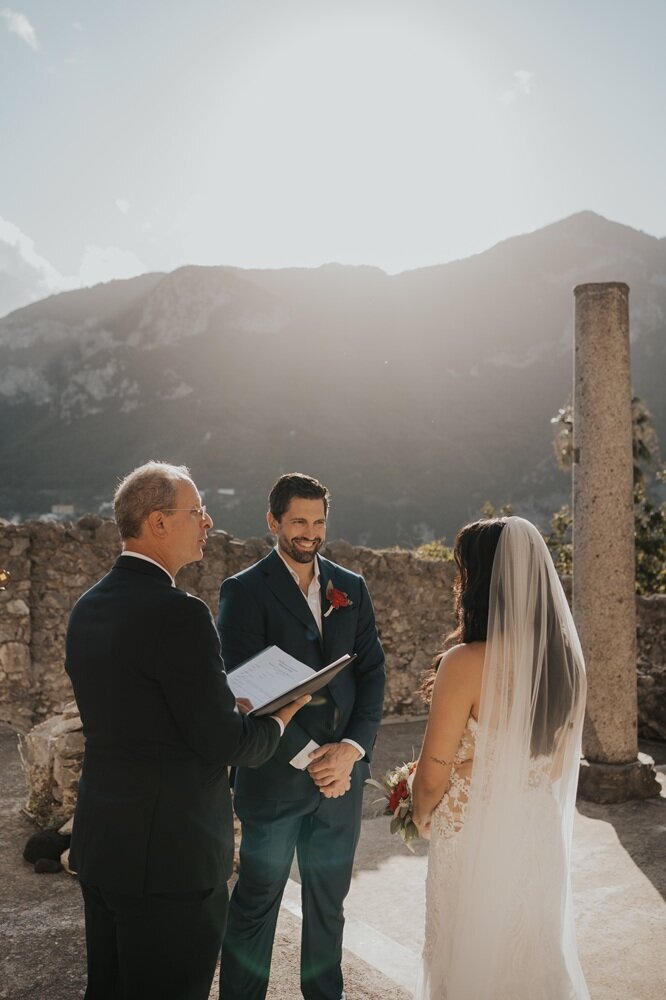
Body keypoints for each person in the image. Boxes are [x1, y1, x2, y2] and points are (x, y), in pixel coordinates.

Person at [65, 461, 309, 1000]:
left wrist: (220, 704)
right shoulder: (180, 614)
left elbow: (140, 710)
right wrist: (279, 714)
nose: (208, 521)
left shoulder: (88, 607)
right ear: (157, 522)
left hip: (106, 846)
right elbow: (226, 745)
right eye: (196, 511)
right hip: (171, 861)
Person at [218, 472, 386, 1000]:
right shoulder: (244, 591)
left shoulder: (350, 588)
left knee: (328, 907)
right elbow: (245, 686)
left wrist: (351, 753)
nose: (310, 532)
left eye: (318, 521)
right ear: (273, 522)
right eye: (298, 521)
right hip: (275, 777)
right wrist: (317, 758)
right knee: (256, 903)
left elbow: (373, 673)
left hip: (342, 781)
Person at [412, 516, 590, 999]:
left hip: (475, 833)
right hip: (536, 829)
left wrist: (419, 810)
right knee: (531, 956)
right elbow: (552, 765)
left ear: (481, 580)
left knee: (469, 960)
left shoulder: (465, 662)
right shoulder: (565, 664)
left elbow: (432, 773)